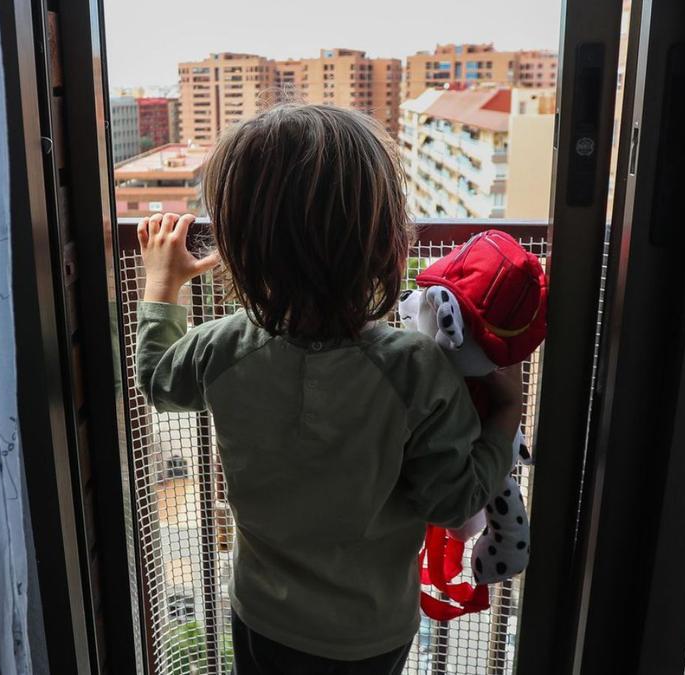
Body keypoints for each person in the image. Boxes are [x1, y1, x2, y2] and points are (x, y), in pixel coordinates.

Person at [135, 103, 523, 675]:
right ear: (384, 239)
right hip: (371, 632)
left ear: (240, 246)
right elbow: (452, 501)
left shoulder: (221, 348)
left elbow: (158, 381)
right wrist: (508, 412)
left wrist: (162, 283)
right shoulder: (413, 367)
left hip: (262, 616)